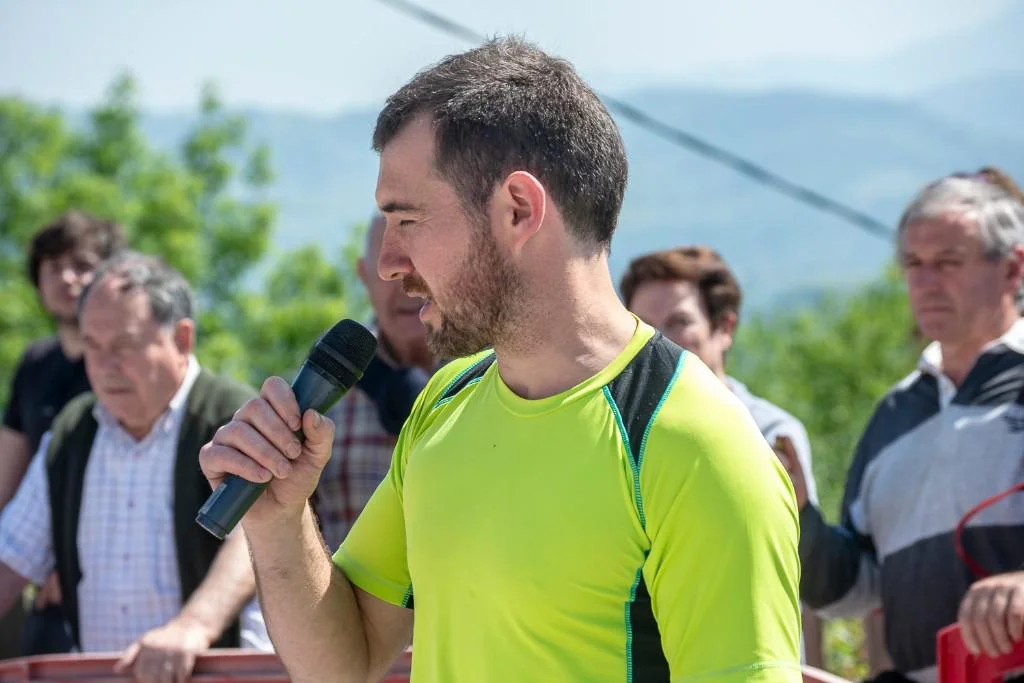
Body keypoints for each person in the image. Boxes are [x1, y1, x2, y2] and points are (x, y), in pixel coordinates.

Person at [200, 37, 802, 682]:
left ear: (518, 210)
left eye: (408, 221)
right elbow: (342, 665)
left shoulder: (699, 446)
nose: (388, 264)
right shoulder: (446, 401)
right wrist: (280, 521)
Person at [793, 175, 1024, 682]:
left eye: (948, 262)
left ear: (1013, 269)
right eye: (913, 264)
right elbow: (856, 589)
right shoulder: (893, 415)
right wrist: (796, 513)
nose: (925, 283)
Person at [0, 251, 270, 682]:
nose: (104, 367)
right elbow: (10, 559)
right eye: (92, 345)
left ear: (181, 338)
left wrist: (193, 627)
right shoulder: (71, 434)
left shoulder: (233, 418)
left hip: (223, 676)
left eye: (123, 345)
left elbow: (260, 537)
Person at [620, 244, 825, 668]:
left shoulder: (770, 433)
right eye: (644, 326)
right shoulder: (619, 432)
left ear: (724, 327)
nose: (657, 341)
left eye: (679, 322)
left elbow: (800, 571)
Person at [0, 211, 126, 658]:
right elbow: (8, 476)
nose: (67, 278)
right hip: (38, 579)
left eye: (82, 264)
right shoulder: (35, 363)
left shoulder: (130, 366)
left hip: (114, 577)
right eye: (53, 267)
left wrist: (72, 568)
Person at [313, 212, 435, 551]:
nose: (405, 279)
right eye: (388, 263)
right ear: (364, 274)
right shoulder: (328, 376)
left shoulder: (496, 372)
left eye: (418, 258)